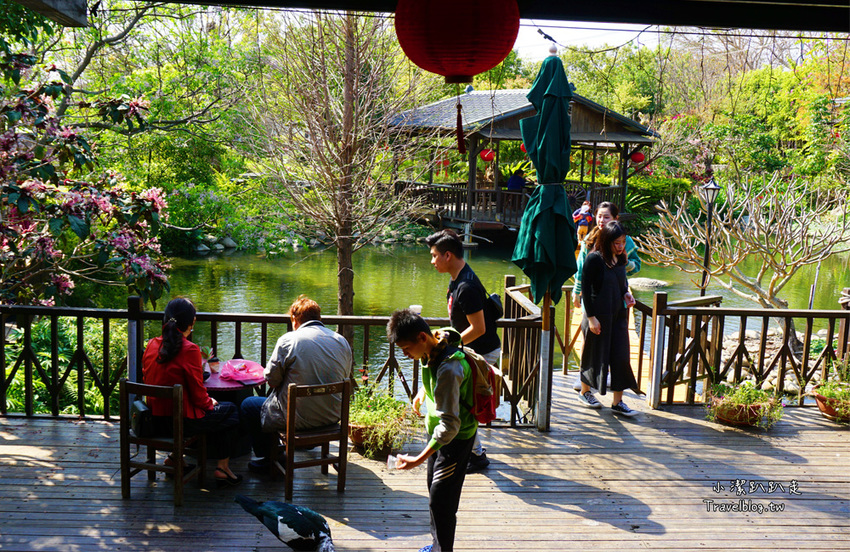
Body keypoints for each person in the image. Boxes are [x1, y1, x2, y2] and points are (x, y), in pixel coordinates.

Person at [387, 309, 477, 552]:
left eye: (406, 349)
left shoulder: (450, 368)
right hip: (437, 435)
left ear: (421, 337)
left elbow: (450, 426)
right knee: (435, 492)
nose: (405, 355)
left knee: (442, 500)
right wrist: (423, 392)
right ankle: (437, 546)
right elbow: (433, 375)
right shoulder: (434, 348)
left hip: (454, 440)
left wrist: (418, 458)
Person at [240, 295, 352, 473]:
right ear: (319, 318)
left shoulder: (289, 340)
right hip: (331, 416)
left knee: (248, 405)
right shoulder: (341, 341)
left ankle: (271, 458)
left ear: (294, 319)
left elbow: (272, 379)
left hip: (297, 420)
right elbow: (345, 376)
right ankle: (306, 444)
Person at [142, 297, 243, 487]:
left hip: (153, 420)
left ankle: (174, 458)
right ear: (191, 322)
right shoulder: (189, 350)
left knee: (204, 409)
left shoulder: (151, 345)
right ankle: (222, 468)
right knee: (230, 410)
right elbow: (198, 396)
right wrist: (210, 402)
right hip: (180, 423)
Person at [424, 228, 498, 471]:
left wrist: (447, 346)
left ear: (448, 255)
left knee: (466, 405)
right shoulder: (457, 277)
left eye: (435, 255)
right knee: (462, 404)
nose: (432, 261)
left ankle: (475, 454)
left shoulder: (466, 286)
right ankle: (474, 452)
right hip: (471, 349)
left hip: (480, 352)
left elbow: (478, 328)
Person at [577, 221, 640, 417]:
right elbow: (586, 291)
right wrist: (592, 318)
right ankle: (586, 392)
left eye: (622, 242)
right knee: (594, 354)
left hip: (618, 315)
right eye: (616, 243)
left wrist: (626, 295)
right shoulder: (594, 259)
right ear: (606, 241)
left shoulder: (621, 259)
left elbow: (622, 284)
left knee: (621, 357)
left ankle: (617, 402)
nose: (620, 247)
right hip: (598, 315)